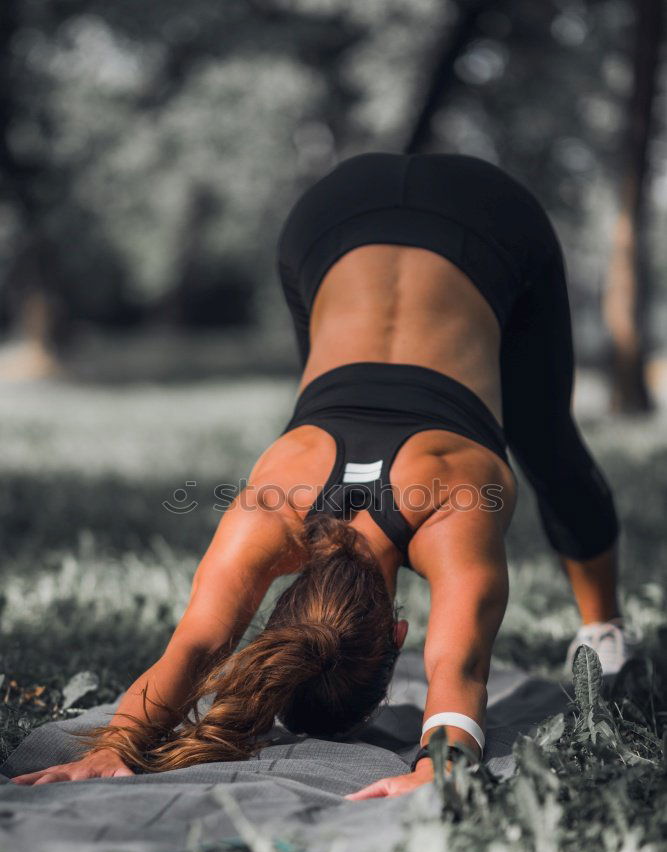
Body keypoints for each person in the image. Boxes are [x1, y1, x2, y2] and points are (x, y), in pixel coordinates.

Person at [11, 152, 637, 798]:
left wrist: (438, 771)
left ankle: (602, 634)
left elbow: (459, 665)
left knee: (540, 436)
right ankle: (604, 632)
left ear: (397, 633)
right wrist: (115, 745)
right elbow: (195, 644)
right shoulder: (270, 510)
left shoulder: (453, 505)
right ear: (282, 605)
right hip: (333, 212)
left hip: (490, 219)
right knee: (546, 439)